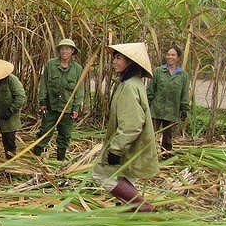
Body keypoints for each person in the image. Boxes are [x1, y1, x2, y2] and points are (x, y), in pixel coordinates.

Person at [93, 42, 158, 212]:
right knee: (126, 178)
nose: (114, 61)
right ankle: (131, 213)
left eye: (118, 58)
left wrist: (115, 150)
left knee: (101, 175)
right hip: (133, 144)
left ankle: (142, 207)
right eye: (114, 57)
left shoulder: (129, 87)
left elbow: (132, 124)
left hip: (128, 144)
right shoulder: (131, 82)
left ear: (130, 62)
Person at [32, 38, 84, 161]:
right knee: (44, 131)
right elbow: (44, 84)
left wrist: (76, 108)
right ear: (59, 50)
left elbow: (79, 90)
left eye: (67, 49)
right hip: (51, 107)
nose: (64, 51)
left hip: (67, 109)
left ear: (72, 51)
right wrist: (42, 101)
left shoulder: (77, 69)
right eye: (62, 48)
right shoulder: (51, 65)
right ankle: (36, 156)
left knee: (65, 135)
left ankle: (60, 160)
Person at [147, 45, 190, 157]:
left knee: (168, 137)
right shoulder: (158, 71)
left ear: (178, 58)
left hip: (172, 111)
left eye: (173, 55)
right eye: (168, 54)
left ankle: (166, 156)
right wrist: (147, 104)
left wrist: (184, 110)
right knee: (150, 134)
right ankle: (148, 156)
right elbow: (151, 90)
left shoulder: (183, 75)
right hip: (156, 109)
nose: (170, 57)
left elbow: (184, 94)